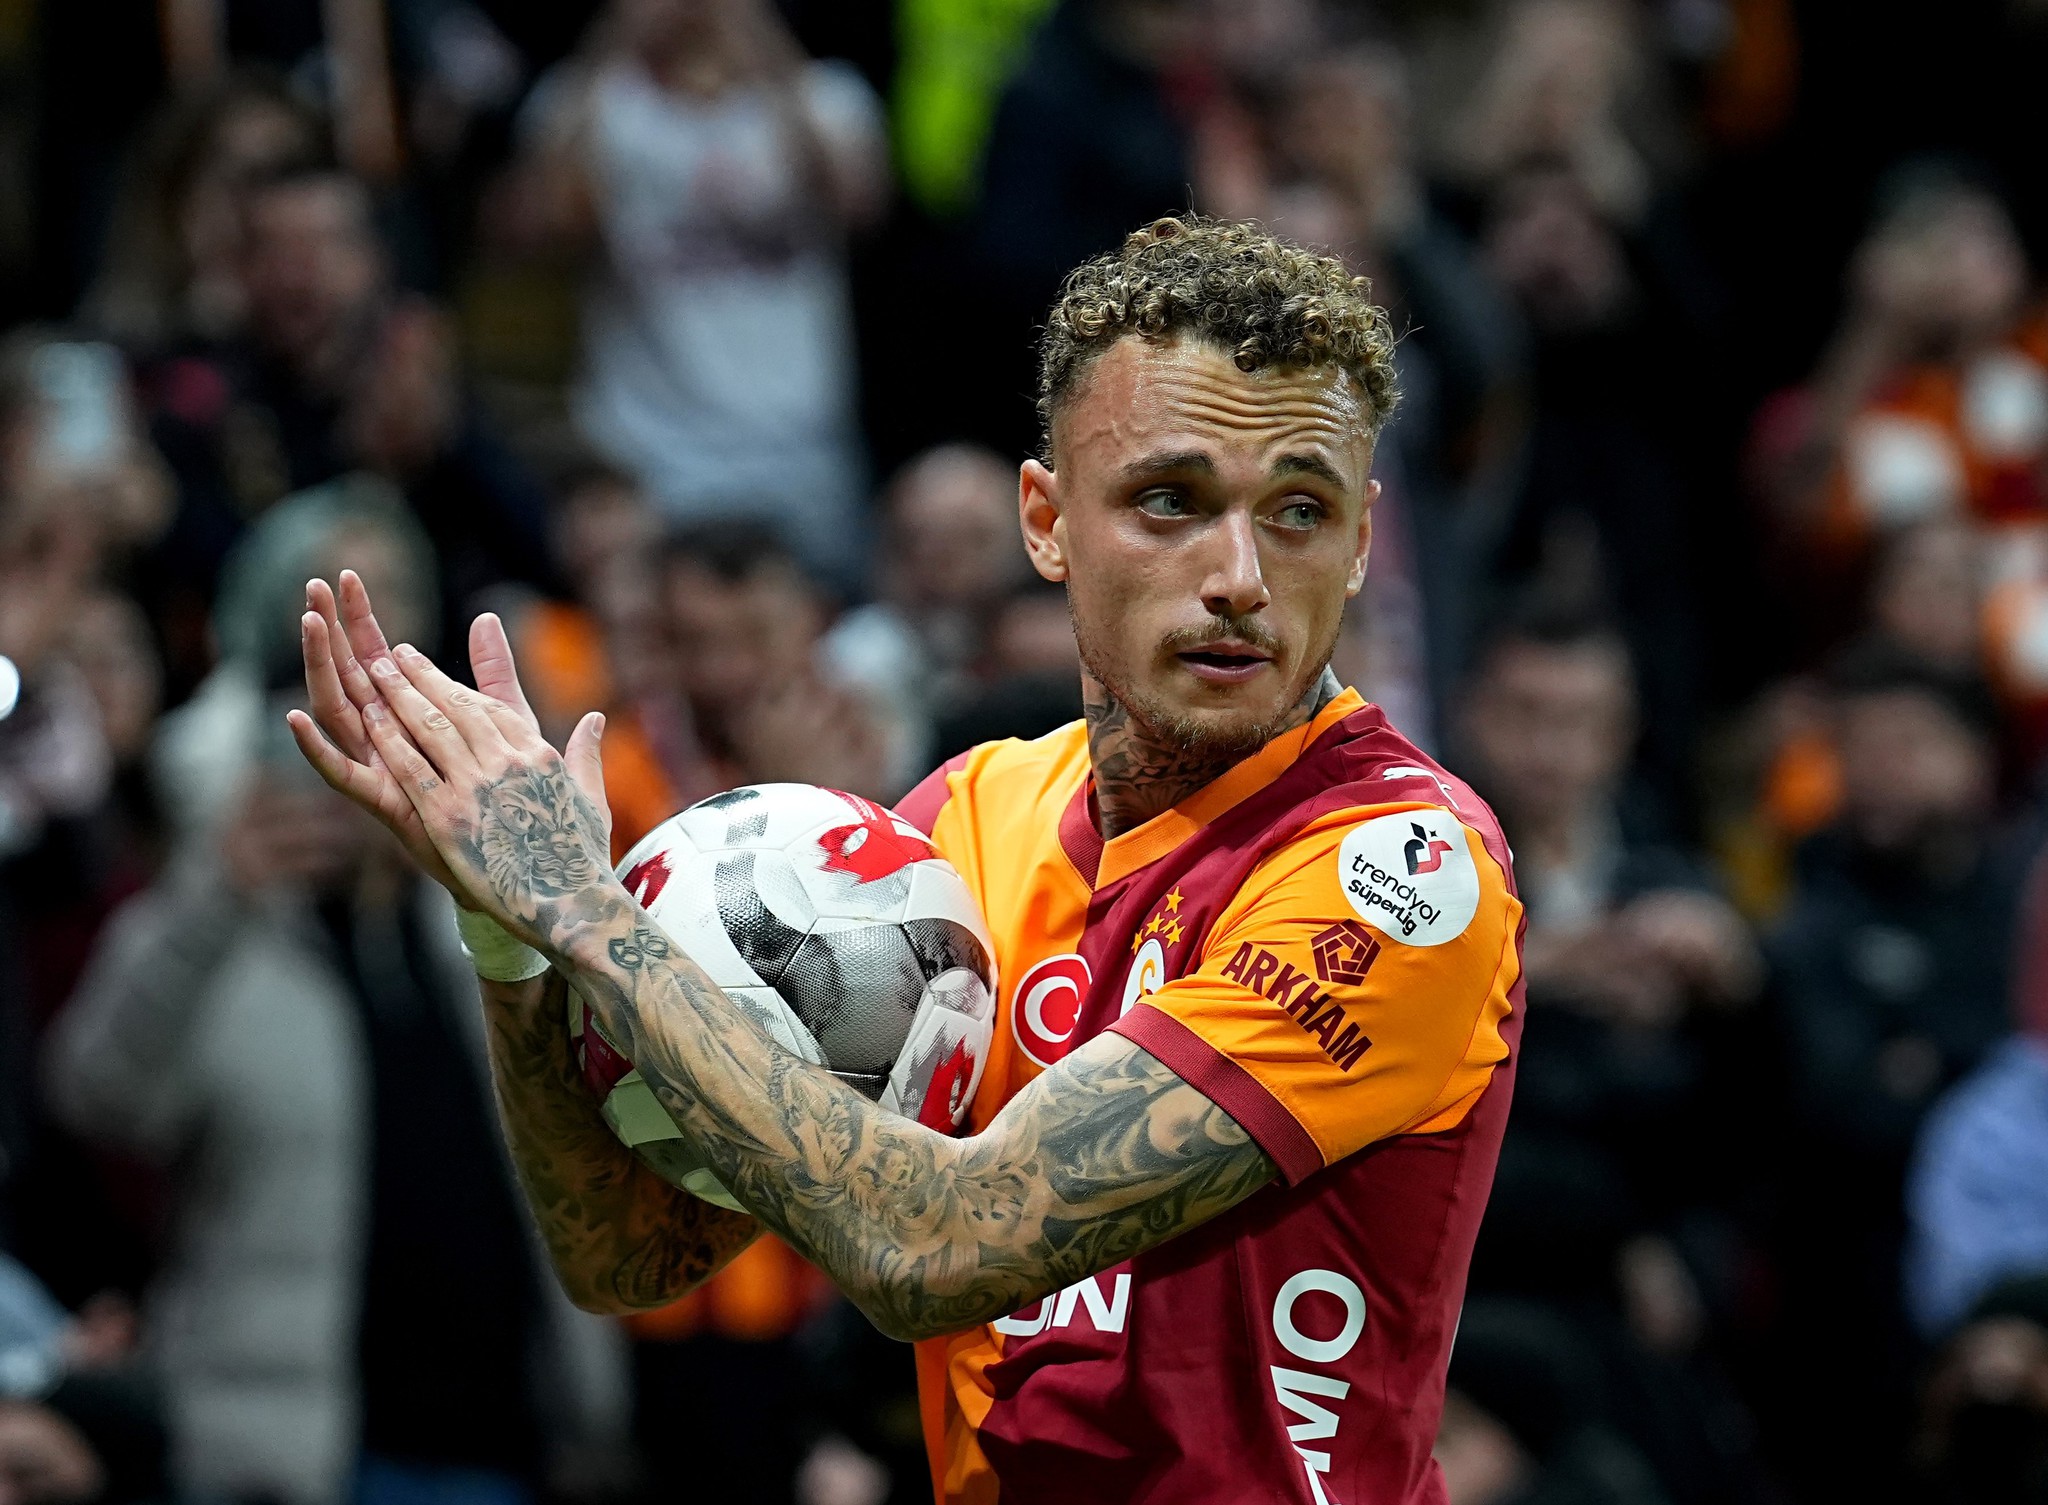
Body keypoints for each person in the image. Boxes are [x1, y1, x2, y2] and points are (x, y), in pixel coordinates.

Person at [289, 216, 1527, 1505]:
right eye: (1169, 500)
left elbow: (935, 1242)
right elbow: (630, 1252)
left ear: (1362, 540)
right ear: (1046, 522)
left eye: (1299, 512)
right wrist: (509, 935)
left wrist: (581, 905)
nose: (1238, 576)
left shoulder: (1400, 873)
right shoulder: (962, 823)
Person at [43, 486, 623, 1505]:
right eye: (328, 730)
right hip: (291, 1457)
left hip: (509, 1443)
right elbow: (100, 1098)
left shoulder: (475, 913)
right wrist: (213, 897)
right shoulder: (220, 912)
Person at [501, 0, 888, 590]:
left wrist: (761, 42)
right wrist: (616, 40)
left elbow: (860, 203)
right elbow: (542, 228)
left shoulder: (826, 96)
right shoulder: (592, 100)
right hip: (647, 455)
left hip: (800, 446)